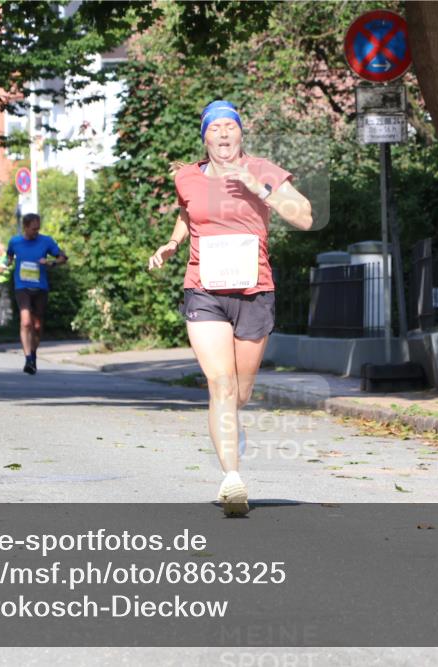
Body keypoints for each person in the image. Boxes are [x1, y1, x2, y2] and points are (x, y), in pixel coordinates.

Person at [148, 100, 313, 516]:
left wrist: (258, 188)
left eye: (230, 127)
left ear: (241, 134)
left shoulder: (263, 171)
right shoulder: (187, 176)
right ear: (205, 137)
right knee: (220, 385)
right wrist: (172, 244)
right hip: (203, 291)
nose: (223, 134)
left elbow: (306, 217)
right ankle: (232, 479)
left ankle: (230, 436)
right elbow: (189, 213)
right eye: (214, 128)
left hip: (255, 292)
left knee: (239, 392)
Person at [6, 213, 67, 374]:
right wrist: (7, 263)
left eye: (38, 229)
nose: (36, 232)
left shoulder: (46, 241)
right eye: (33, 229)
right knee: (26, 322)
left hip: (40, 287)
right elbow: (9, 255)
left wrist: (51, 262)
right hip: (22, 286)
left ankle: (33, 353)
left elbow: (63, 257)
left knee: (38, 325)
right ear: (25, 227)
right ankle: (28, 359)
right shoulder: (15, 241)